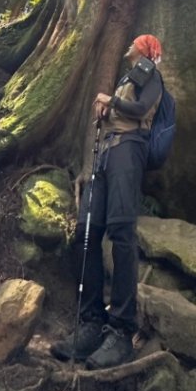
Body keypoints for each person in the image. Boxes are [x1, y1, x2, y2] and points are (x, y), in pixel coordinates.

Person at [50, 33, 164, 369]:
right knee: (86, 230)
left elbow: (142, 108)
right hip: (105, 154)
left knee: (121, 231)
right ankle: (90, 323)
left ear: (145, 49)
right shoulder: (127, 78)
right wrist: (106, 108)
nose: (128, 43)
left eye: (135, 41)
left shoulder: (149, 72)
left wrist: (109, 101)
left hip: (128, 152)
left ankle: (122, 329)